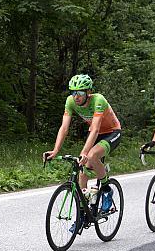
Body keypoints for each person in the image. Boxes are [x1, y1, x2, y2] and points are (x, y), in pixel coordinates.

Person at [43, 74, 122, 212]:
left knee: (91, 156)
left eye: (79, 93)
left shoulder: (98, 100)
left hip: (112, 132)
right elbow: (64, 128)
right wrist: (55, 150)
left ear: (88, 92)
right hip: (95, 134)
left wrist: (84, 152)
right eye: (73, 92)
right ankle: (83, 211)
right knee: (82, 170)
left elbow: (96, 129)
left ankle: (107, 189)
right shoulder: (70, 102)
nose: (76, 96)